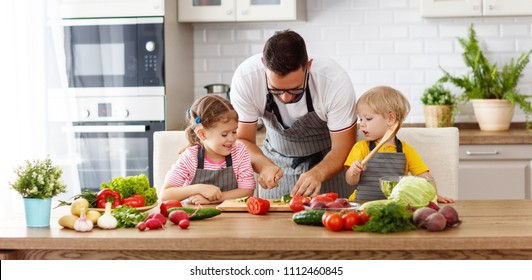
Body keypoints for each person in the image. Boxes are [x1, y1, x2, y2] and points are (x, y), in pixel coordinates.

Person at [230, 30, 357, 199]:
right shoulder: (246, 78)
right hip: (277, 165)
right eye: (276, 90)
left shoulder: (333, 80)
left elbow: (343, 146)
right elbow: (242, 140)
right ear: (263, 65)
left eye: (296, 90)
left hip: (329, 164)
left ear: (309, 66)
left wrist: (318, 173)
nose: (286, 97)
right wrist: (263, 165)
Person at [344, 86, 455, 203]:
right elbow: (351, 181)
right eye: (360, 119)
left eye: (368, 118)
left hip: (396, 205)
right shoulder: (361, 147)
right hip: (362, 204)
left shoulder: (406, 150)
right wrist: (353, 171)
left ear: (390, 119)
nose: (362, 124)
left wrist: (434, 195)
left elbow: (425, 177)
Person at [159, 95, 256, 205]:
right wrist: (198, 188)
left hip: (233, 218)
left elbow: (247, 191)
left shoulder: (239, 152)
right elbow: (165, 195)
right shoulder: (190, 157)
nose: (232, 138)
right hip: (196, 218)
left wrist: (216, 198)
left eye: (234, 132)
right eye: (224, 134)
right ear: (202, 134)